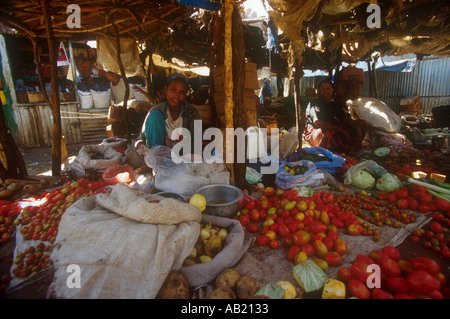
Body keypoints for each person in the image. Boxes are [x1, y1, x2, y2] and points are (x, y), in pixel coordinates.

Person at [135, 72, 201, 151]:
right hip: (158, 158)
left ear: (186, 94)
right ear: (166, 90)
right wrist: (140, 145)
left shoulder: (193, 113)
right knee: (155, 115)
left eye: (182, 92)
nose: (176, 95)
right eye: (173, 90)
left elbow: (196, 144)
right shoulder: (156, 111)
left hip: (183, 157)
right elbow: (140, 139)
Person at [303, 79, 367, 153]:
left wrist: (356, 127)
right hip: (316, 131)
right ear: (319, 91)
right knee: (326, 132)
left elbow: (346, 119)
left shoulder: (334, 104)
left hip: (334, 128)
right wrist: (343, 131)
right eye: (323, 89)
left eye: (328, 89)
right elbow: (319, 123)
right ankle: (332, 151)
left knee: (362, 123)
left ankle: (353, 149)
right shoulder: (314, 104)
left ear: (332, 90)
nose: (325, 92)